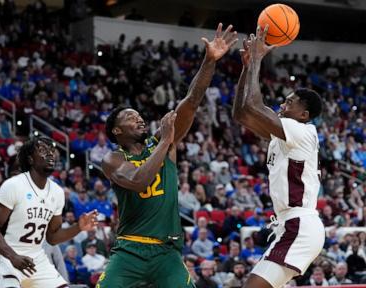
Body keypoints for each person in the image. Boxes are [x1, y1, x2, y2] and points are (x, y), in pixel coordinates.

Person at [97, 23, 238, 288]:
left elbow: (192, 100)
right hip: (130, 250)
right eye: (130, 118)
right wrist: (165, 140)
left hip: (167, 252)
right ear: (116, 130)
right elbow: (139, 181)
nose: (139, 120)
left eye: (139, 116)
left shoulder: (164, 141)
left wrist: (209, 61)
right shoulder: (113, 159)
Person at [232, 25, 325, 288]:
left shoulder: (302, 131)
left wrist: (257, 62)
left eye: (289, 103)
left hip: (299, 225)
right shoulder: (284, 134)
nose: (282, 106)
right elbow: (241, 113)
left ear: (303, 115)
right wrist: (246, 67)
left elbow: (253, 106)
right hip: (290, 225)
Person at [0, 137, 98, 287]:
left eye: (51, 150)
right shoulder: (14, 185)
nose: (50, 154)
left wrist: (78, 227)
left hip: (37, 258)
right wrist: (13, 257)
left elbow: (52, 237)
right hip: (7, 257)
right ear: (30, 159)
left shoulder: (57, 192)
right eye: (43, 150)